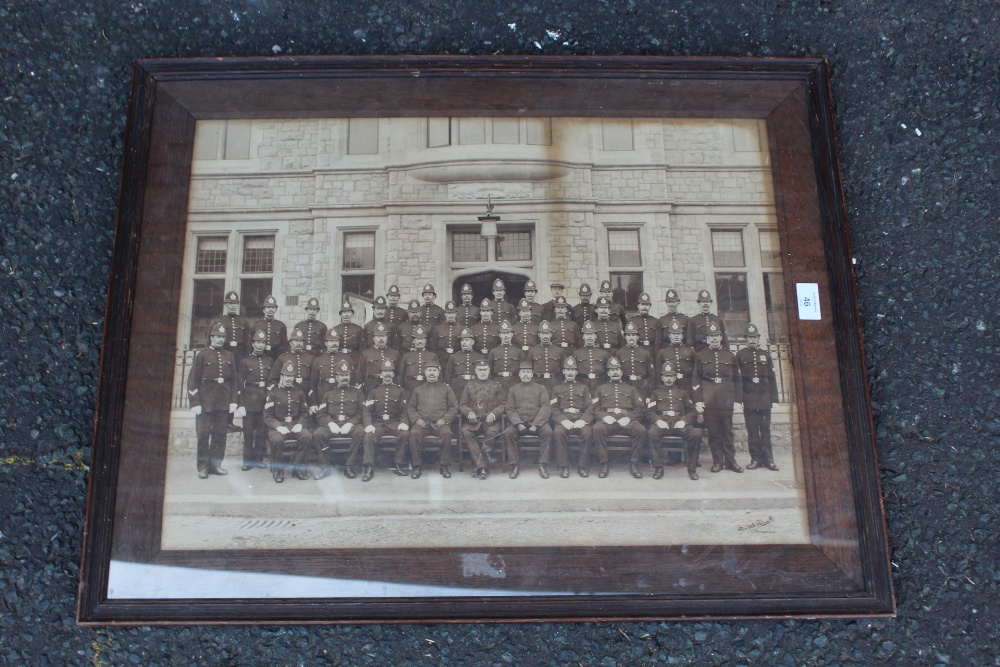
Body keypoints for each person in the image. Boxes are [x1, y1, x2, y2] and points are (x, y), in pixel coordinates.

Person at [188, 323, 238, 479]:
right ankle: (202, 467)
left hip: (222, 401)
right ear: (211, 337)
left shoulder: (229, 356)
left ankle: (216, 465)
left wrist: (233, 400)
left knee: (220, 435)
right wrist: (194, 403)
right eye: (217, 336)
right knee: (203, 435)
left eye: (223, 337)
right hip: (205, 403)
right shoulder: (202, 355)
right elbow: (192, 381)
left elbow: (234, 380)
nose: (220, 340)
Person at [693, 323, 743, 473]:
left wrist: (738, 400)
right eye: (711, 337)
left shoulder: (730, 356)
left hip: (726, 398)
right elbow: (696, 379)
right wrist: (698, 400)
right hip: (709, 399)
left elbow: (737, 379)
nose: (714, 339)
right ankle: (717, 462)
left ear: (721, 338)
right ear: (707, 339)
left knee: (727, 431)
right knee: (714, 432)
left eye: (716, 336)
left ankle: (730, 461)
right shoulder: (700, 356)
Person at [590, 357, 648, 479]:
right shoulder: (601, 389)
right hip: (608, 421)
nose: (615, 372)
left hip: (626, 421)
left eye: (617, 370)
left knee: (641, 430)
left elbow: (641, 409)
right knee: (597, 429)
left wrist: (629, 417)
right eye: (612, 370)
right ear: (608, 373)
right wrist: (604, 417)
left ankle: (634, 464)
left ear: (621, 372)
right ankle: (604, 464)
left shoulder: (631, 389)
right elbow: (595, 409)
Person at [646, 361, 703, 481]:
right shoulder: (656, 393)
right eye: (666, 376)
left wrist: (684, 420)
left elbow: (692, 411)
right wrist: (657, 420)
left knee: (696, 434)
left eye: (671, 376)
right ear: (662, 377)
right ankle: (658, 468)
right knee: (652, 433)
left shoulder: (683, 393)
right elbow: (650, 411)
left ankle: (692, 469)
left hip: (679, 423)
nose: (668, 379)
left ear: (675, 377)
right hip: (662, 422)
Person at [312, 360, 366, 480]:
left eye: (346, 375)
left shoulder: (358, 393)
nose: (344, 378)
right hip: (333, 423)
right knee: (318, 433)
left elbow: (362, 412)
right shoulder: (328, 394)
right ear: (336, 377)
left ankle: (349, 465)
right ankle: (325, 468)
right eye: (341, 375)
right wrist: (330, 423)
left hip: (351, 423)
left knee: (360, 432)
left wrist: (351, 423)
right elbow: (320, 414)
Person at [736, 323, 780, 471]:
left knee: (765, 429)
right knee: (752, 430)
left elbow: (772, 378)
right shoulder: (740, 355)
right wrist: (739, 399)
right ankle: (755, 459)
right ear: (746, 339)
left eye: (755, 337)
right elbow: (738, 379)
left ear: (758, 338)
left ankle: (769, 460)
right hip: (749, 397)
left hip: (764, 397)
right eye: (749, 337)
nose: (752, 339)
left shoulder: (766, 355)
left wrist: (774, 399)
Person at [406, 360, 458, 479]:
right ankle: (417, 466)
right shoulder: (418, 389)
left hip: (440, 423)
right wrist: (416, 419)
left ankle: (444, 465)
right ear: (425, 372)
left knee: (446, 433)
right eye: (429, 370)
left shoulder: (446, 389)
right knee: (414, 434)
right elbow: (410, 407)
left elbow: (454, 407)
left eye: (434, 370)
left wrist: (445, 419)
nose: (432, 373)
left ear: (438, 372)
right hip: (422, 423)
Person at [263, 360, 313, 483]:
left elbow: (304, 412)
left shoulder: (300, 393)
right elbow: (268, 416)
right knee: (277, 440)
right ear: (282, 376)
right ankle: (278, 470)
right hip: (278, 427)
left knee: (306, 436)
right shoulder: (273, 394)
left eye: (291, 376)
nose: (289, 379)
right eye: (286, 376)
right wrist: (279, 427)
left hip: (295, 425)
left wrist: (300, 424)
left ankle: (297, 467)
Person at [504, 360, 553, 479]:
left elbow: (545, 407)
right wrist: (518, 424)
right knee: (508, 433)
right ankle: (514, 465)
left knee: (548, 432)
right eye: (523, 372)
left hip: (537, 423)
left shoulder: (541, 388)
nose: (525, 374)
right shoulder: (513, 389)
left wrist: (536, 424)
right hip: (519, 424)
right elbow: (510, 409)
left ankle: (543, 464)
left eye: (528, 372)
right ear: (519, 374)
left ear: (532, 374)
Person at [458, 359, 507, 480]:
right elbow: (462, 404)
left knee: (491, 433)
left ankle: (480, 467)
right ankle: (482, 467)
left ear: (489, 370)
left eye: (485, 370)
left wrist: (494, 414)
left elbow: (503, 404)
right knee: (466, 433)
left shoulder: (497, 386)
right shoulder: (469, 386)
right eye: (480, 370)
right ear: (475, 371)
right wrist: (469, 413)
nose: (483, 372)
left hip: (492, 422)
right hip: (473, 421)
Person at [363, 359, 410, 480]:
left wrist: (403, 423)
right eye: (385, 371)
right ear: (381, 374)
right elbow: (367, 411)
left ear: (393, 374)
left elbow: (404, 411)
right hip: (378, 424)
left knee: (404, 434)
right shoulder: (374, 392)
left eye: (390, 371)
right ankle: (368, 467)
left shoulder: (400, 391)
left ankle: (398, 464)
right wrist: (369, 424)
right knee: (368, 436)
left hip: (394, 423)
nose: (388, 374)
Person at [235, 330, 273, 471]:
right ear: (252, 343)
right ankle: (247, 461)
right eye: (257, 342)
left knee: (262, 433)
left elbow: (272, 381)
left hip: (264, 401)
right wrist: (240, 404)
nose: (260, 345)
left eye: (263, 343)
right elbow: (240, 384)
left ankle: (258, 459)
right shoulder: (245, 361)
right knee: (249, 433)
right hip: (249, 401)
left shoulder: (270, 361)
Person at [212, 291, 250, 433]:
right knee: (223, 389)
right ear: (225, 304)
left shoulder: (244, 322)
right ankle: (220, 421)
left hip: (239, 359)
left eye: (235, 303)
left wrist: (245, 360)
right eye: (230, 303)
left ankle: (230, 421)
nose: (232, 306)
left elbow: (247, 343)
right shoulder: (219, 322)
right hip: (224, 359)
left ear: (237, 304)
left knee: (235, 388)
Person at [550, 355, 592, 478]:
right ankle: (564, 466)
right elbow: (553, 408)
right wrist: (562, 420)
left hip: (580, 419)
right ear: (563, 371)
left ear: (576, 372)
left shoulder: (583, 388)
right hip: (564, 419)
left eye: (572, 370)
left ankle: (582, 466)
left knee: (587, 432)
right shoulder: (556, 388)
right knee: (558, 432)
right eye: (567, 370)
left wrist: (583, 420)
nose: (570, 372)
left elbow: (590, 407)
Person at [311, 329, 360, 399]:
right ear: (326, 343)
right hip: (322, 393)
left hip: (341, 396)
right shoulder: (318, 360)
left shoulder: (347, 358)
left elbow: (352, 379)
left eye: (336, 341)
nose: (335, 343)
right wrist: (313, 403)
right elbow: (313, 383)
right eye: (331, 341)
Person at [268, 328, 315, 394]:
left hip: (306, 391)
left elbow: (314, 379)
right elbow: (273, 379)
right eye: (296, 341)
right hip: (288, 391)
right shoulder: (283, 358)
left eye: (301, 341)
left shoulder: (310, 358)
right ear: (290, 343)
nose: (299, 343)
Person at [359, 322, 400, 395]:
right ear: (374, 338)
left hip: (390, 386)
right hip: (371, 386)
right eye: (378, 336)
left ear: (387, 337)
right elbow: (360, 372)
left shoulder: (395, 353)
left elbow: (398, 373)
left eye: (383, 336)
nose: (381, 338)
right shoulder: (366, 354)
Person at [444, 328, 485, 400]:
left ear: (472, 342)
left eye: (467, 340)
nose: (464, 342)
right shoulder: (454, 357)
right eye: (462, 340)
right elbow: (448, 374)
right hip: (458, 387)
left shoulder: (480, 357)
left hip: (474, 386)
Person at [656, 320, 697, 391]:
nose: (676, 336)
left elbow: (696, 371)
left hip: (687, 385)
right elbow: (659, 372)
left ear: (682, 335)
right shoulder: (662, 352)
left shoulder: (690, 351)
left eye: (678, 333)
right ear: (669, 335)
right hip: (670, 386)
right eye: (673, 333)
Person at [617, 322, 655, 397]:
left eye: (633, 335)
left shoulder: (645, 353)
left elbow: (651, 375)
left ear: (637, 337)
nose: (631, 338)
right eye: (628, 335)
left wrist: (649, 395)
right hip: (625, 387)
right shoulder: (619, 353)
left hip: (641, 388)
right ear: (625, 337)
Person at [525, 320, 565, 392]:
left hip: (555, 383)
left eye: (547, 333)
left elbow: (563, 370)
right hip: (537, 383)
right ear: (539, 334)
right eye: (543, 333)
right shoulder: (533, 351)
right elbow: (529, 370)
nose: (545, 336)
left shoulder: (559, 351)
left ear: (551, 334)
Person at [400, 325, 441, 393]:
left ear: (425, 341)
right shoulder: (406, 356)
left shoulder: (432, 356)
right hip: (410, 387)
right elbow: (401, 375)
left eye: (422, 339)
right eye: (418, 339)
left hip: (427, 387)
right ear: (413, 341)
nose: (420, 341)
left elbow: (439, 375)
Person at [574, 321, 610, 394]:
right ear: (583, 336)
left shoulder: (603, 354)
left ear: (595, 336)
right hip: (582, 385)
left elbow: (607, 372)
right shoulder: (576, 353)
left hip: (599, 384)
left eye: (591, 334)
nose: (589, 337)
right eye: (587, 334)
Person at [488, 320, 523, 390]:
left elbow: (522, 370)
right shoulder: (493, 351)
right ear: (500, 335)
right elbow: (490, 371)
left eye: (508, 333)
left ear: (512, 334)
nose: (506, 336)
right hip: (497, 383)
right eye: (503, 333)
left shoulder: (519, 352)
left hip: (514, 383)